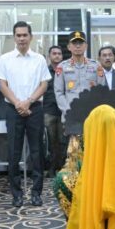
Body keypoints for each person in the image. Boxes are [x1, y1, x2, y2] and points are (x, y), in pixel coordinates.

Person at [0, 21, 52, 208]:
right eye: (18, 35)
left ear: (31, 37)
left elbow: (44, 84)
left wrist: (28, 101)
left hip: (34, 108)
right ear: (14, 37)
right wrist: (18, 103)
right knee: (13, 151)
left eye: (25, 35)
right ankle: (16, 194)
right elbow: (2, 85)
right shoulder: (5, 59)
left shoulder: (39, 59)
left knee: (37, 151)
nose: (21, 38)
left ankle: (36, 193)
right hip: (13, 109)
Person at [54, 32, 106, 163]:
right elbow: (59, 92)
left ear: (86, 46)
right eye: (74, 43)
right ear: (69, 47)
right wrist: (69, 111)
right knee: (73, 154)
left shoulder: (96, 66)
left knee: (92, 153)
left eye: (80, 43)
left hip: (91, 117)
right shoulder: (62, 67)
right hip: (71, 117)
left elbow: (101, 91)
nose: (78, 46)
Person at [44, 45, 64, 177]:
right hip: (49, 110)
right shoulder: (44, 72)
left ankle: (62, 167)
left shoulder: (66, 71)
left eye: (59, 53)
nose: (57, 56)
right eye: (54, 53)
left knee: (63, 141)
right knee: (51, 141)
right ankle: (51, 168)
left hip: (64, 110)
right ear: (49, 56)